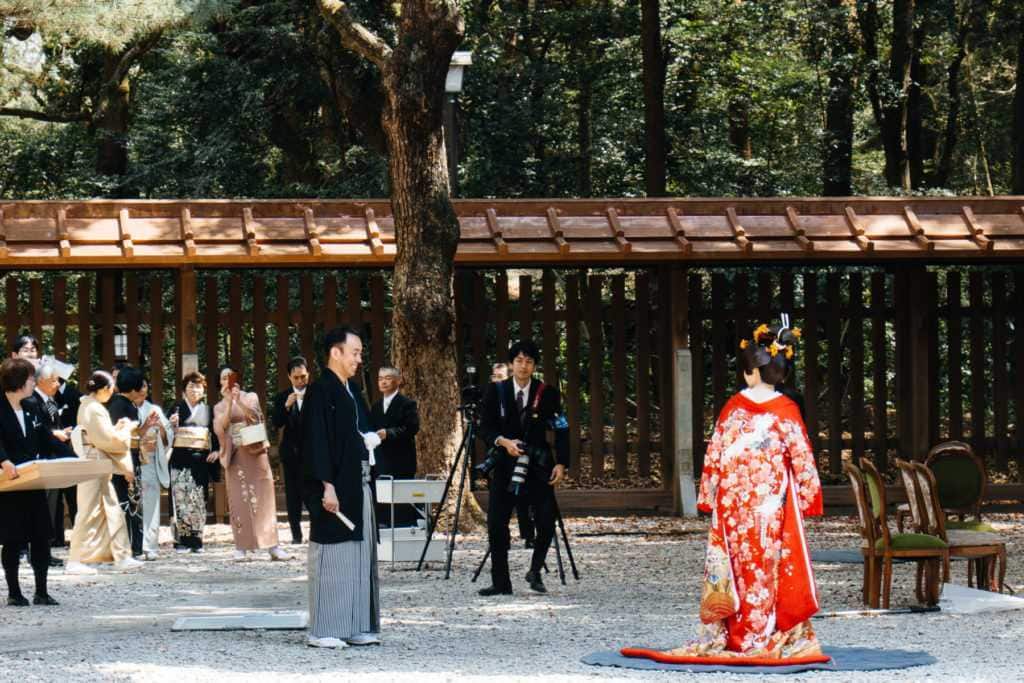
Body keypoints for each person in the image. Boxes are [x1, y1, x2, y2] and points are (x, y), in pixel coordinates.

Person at [635, 321, 824, 662]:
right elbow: (803, 458)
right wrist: (810, 498)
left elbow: (715, 454)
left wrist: (707, 494)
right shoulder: (787, 411)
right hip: (770, 506)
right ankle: (764, 631)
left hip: (733, 506)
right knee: (766, 569)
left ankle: (737, 635)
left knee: (734, 568)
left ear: (752, 371)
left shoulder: (733, 409)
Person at [303, 326, 381, 649]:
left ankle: (355, 624)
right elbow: (315, 442)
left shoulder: (352, 391)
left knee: (360, 555)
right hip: (334, 484)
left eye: (360, 353)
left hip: (358, 481)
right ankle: (323, 629)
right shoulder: (320, 391)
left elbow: (360, 431)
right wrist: (326, 485)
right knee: (333, 554)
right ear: (336, 352)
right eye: (355, 353)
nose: (359, 359)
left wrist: (371, 439)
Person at [478, 340, 570, 596]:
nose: (523, 366)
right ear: (511, 364)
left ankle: (535, 570)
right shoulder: (496, 392)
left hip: (538, 465)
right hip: (506, 465)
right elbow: (485, 428)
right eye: (518, 360)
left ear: (535, 365)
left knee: (546, 520)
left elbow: (561, 428)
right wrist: (503, 442)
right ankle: (501, 582)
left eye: (529, 361)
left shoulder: (547, 392)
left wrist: (562, 463)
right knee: (496, 522)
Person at [66, 371, 142, 573]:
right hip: (93, 462)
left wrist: (117, 428)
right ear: (105, 389)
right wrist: (124, 430)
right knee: (88, 511)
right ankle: (75, 559)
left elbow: (104, 435)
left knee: (111, 509)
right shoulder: (93, 408)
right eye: (110, 389)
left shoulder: (90, 406)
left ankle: (120, 555)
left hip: (97, 461)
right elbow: (106, 440)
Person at [213, 367, 290, 562]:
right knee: (239, 499)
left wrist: (238, 399)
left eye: (230, 377)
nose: (227, 381)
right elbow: (221, 427)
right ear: (219, 383)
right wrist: (230, 402)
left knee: (264, 496)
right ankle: (241, 545)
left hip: (254, 451)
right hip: (236, 452)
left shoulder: (251, 397)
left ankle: (273, 545)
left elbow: (256, 418)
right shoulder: (219, 406)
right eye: (223, 378)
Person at [0, 358, 60, 606]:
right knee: (13, 538)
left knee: (41, 535)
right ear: (17, 382)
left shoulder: (32, 405)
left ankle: (42, 591)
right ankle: (14, 592)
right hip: (9, 483)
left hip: (33, 479)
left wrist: (74, 458)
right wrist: (3, 460)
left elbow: (46, 438)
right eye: (30, 378)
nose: (34, 382)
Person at [168, 372, 217, 554]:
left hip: (200, 459)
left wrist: (216, 450)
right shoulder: (176, 407)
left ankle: (196, 540)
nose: (194, 390)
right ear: (184, 391)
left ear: (203, 390)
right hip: (180, 457)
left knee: (198, 498)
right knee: (180, 499)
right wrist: (171, 426)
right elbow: (166, 434)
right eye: (190, 387)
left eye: (198, 387)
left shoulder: (208, 410)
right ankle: (180, 540)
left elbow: (216, 433)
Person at [489, 361, 534, 549]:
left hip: (523, 452)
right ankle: (502, 537)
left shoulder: (519, 394)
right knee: (500, 498)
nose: (496, 379)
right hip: (500, 452)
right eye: (494, 376)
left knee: (523, 496)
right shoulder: (492, 394)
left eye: (500, 376)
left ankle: (529, 535)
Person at [369, 366, 420, 528]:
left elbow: (412, 428)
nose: (383, 382)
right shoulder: (376, 406)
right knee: (383, 504)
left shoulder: (407, 404)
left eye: (388, 378)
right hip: (381, 461)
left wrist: (389, 433)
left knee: (401, 506)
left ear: (398, 381)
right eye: (380, 378)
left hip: (402, 462)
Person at [107, 367, 146, 558]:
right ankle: (127, 548)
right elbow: (120, 439)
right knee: (126, 504)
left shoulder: (123, 403)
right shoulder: (119, 406)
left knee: (133, 504)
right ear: (133, 388)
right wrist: (126, 466)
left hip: (130, 458)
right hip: (124, 460)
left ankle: (134, 546)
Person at [271, 357, 310, 545]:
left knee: (312, 492)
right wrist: (286, 406)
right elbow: (276, 422)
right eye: (296, 378)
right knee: (292, 494)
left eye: (303, 376)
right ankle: (296, 534)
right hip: (291, 451)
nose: (300, 381)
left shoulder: (316, 394)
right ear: (289, 377)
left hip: (311, 452)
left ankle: (317, 532)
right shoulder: (282, 396)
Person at [135, 377, 172, 561]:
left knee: (151, 502)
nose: (142, 390)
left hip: (149, 459)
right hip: (132, 458)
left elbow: (168, 436)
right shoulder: (126, 408)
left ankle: (150, 545)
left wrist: (161, 428)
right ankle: (134, 545)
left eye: (145, 386)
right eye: (139, 387)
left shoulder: (154, 409)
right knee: (133, 504)